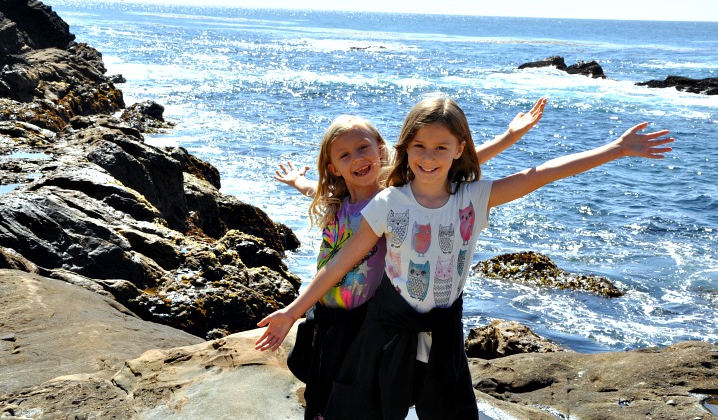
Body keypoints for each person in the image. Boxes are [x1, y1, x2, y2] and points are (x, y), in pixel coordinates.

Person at [257, 94, 673, 420]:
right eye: (419, 146)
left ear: (459, 149)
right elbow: (342, 260)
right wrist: (292, 312)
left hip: (444, 327)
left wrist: (615, 149)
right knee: (362, 409)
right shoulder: (389, 201)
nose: (429, 156)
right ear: (404, 148)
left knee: (450, 412)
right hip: (385, 327)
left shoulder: (473, 196)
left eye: (441, 147)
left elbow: (542, 173)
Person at [276, 98, 546, 420]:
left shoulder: (391, 195)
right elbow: (314, 188)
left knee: (353, 395)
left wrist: (510, 136)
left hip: (364, 317)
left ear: (381, 150)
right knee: (320, 391)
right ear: (334, 167)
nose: (358, 160)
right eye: (345, 155)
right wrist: (296, 181)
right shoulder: (337, 198)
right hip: (327, 313)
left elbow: (443, 167)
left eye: (363, 149)